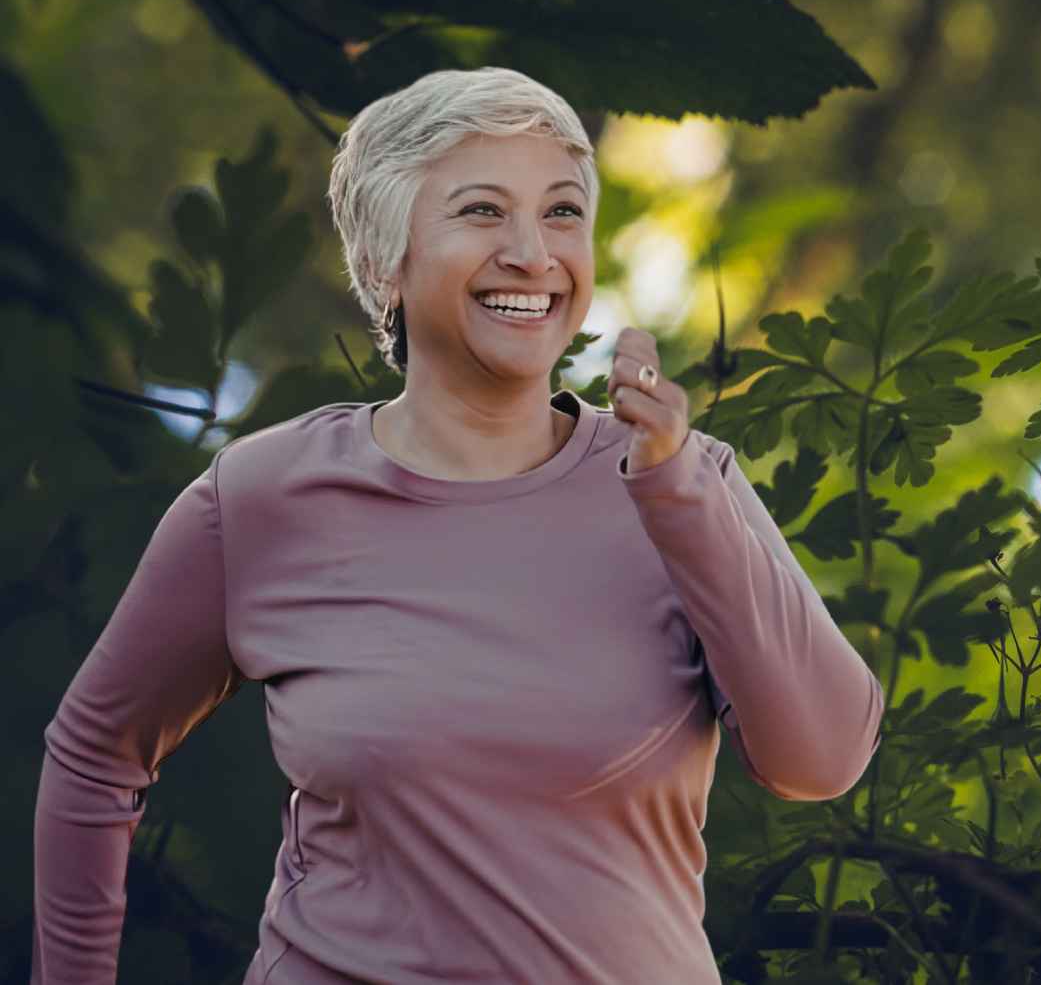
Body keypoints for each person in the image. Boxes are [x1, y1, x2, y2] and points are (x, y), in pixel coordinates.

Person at [32, 66, 886, 984]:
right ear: (381, 262)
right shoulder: (263, 497)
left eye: (562, 213)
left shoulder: (685, 480)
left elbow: (823, 759)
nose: (533, 253)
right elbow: (92, 755)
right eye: (482, 211)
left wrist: (674, 494)